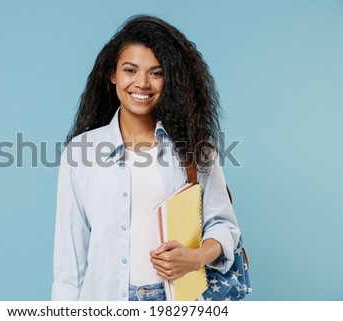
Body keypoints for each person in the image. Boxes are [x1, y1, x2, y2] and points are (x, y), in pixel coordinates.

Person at [52, 15, 241, 301]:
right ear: (112, 74)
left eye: (156, 72)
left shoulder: (195, 149)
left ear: (171, 80)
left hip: (176, 303)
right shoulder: (80, 153)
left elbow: (224, 226)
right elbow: (69, 263)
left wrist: (195, 257)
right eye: (130, 70)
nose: (142, 83)